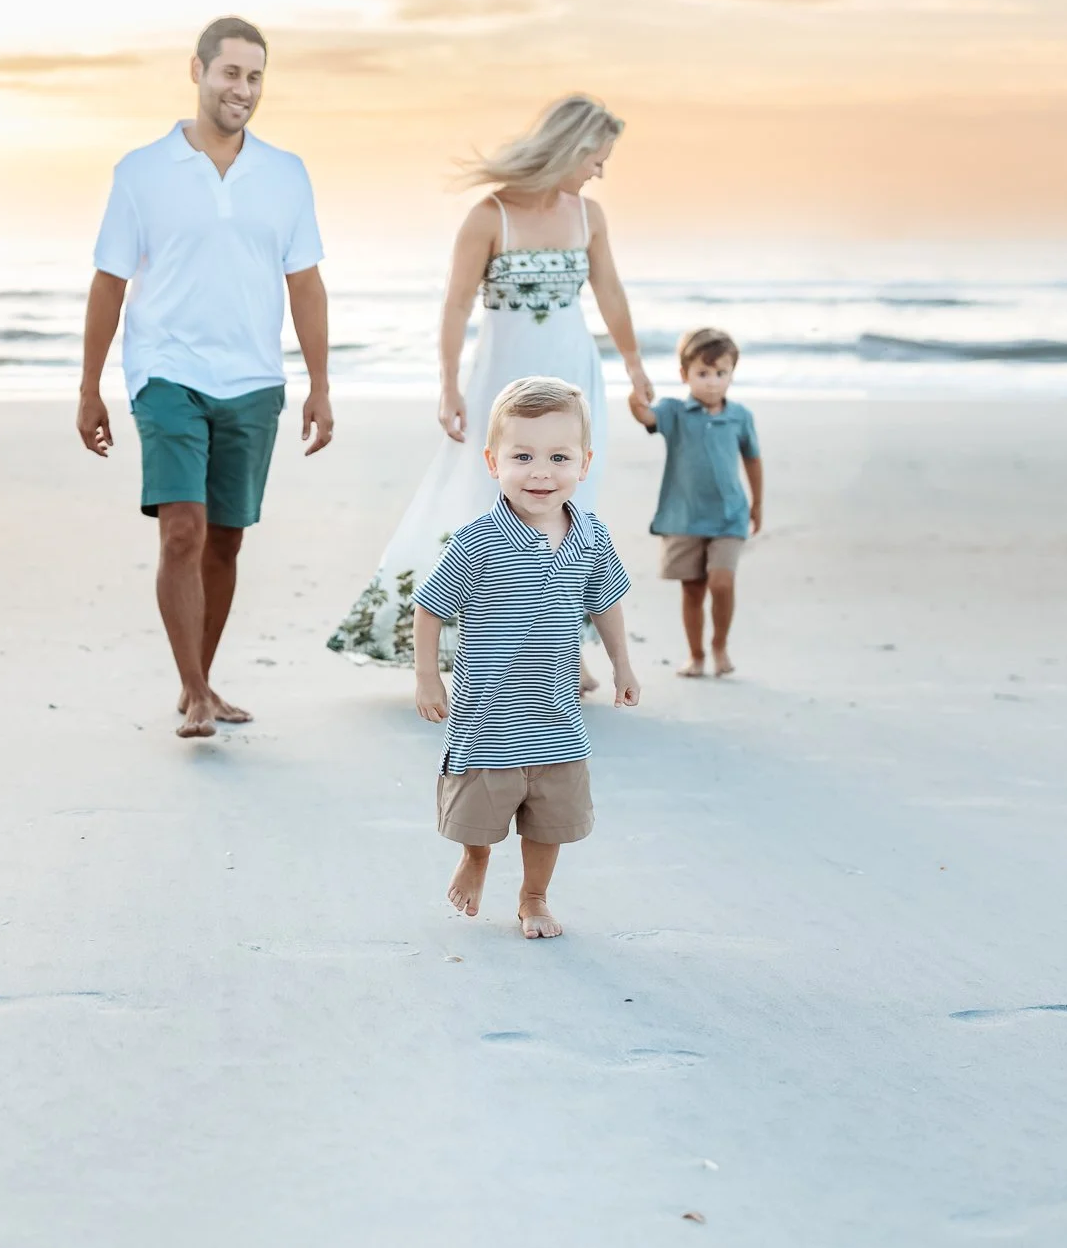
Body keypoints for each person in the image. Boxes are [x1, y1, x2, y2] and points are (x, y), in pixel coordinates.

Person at [327, 96, 653, 690]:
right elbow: (455, 305)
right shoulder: (489, 217)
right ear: (572, 149)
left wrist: (635, 369)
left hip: (575, 378)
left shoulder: (589, 216)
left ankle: (566, 648)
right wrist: (449, 385)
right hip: (501, 381)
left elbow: (610, 294)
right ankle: (476, 643)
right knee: (490, 503)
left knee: (571, 506)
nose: (600, 172)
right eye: (597, 160)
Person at [77, 17, 334, 738]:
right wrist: (90, 386)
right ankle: (194, 693)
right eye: (230, 73)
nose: (242, 89)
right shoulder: (141, 172)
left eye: (254, 77)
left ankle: (202, 677)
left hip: (253, 378)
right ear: (197, 71)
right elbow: (108, 282)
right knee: (182, 532)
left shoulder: (285, 174)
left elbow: (305, 284)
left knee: (225, 539)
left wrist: (319, 383)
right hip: (166, 371)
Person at [412, 377, 640, 939]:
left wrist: (622, 665)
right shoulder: (477, 542)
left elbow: (605, 603)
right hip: (487, 719)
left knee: (550, 820)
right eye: (523, 457)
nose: (541, 472)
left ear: (585, 463)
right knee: (479, 816)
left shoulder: (591, 536)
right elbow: (430, 608)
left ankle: (534, 896)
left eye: (559, 457)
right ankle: (476, 858)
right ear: (493, 462)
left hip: (557, 718)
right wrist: (427, 678)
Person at [627, 328, 763, 678]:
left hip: (729, 516)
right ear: (684, 374)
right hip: (684, 518)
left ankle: (719, 645)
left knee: (722, 583)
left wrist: (757, 504)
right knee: (692, 591)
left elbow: (752, 459)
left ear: (732, 374)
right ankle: (696, 654)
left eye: (721, 373)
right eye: (703, 373)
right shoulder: (674, 411)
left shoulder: (740, 416)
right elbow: (645, 415)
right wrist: (636, 395)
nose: (713, 382)